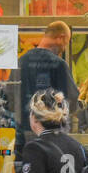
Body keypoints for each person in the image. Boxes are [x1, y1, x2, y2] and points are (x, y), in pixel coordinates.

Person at [14, 21, 78, 159]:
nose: (63, 48)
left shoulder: (21, 62)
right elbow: (71, 100)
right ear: (60, 38)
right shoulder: (59, 64)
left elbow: (9, 98)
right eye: (65, 43)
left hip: (21, 137)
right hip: (51, 140)